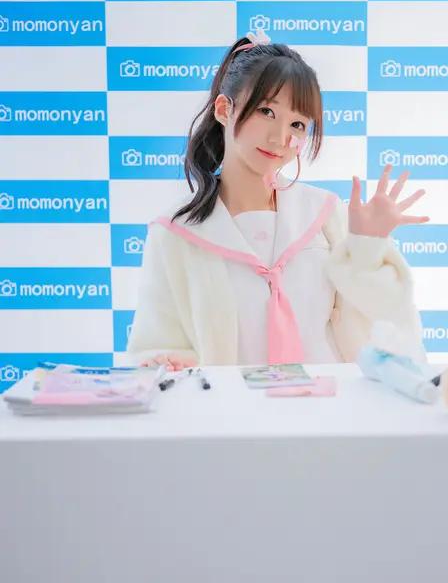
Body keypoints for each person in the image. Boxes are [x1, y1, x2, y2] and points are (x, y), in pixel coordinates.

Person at [127, 29, 430, 371]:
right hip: (232, 404)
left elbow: (384, 330)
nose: (280, 137)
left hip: (331, 401)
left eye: (298, 124)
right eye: (266, 112)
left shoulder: (325, 214)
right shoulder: (175, 234)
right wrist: (172, 364)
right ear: (224, 109)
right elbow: (157, 346)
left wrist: (368, 248)